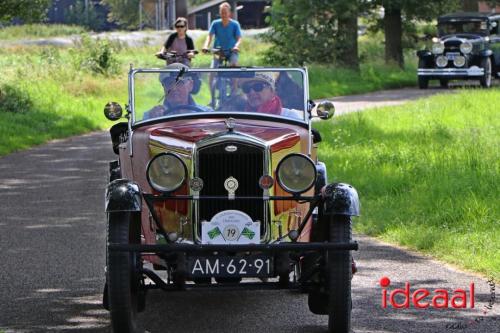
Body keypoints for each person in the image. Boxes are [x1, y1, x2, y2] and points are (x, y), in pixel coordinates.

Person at [143, 64, 211, 120]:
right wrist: (153, 119)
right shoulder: (153, 115)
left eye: (179, 83)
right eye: (169, 83)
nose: (174, 88)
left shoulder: (207, 113)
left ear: (190, 85)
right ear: (164, 88)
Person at [202, 2, 242, 67]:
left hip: (231, 51)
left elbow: (239, 38)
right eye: (222, 13)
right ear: (220, 13)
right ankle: (212, 76)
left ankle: (234, 76)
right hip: (218, 51)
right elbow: (209, 36)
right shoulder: (215, 23)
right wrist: (206, 46)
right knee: (213, 69)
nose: (223, 15)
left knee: (234, 66)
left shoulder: (235, 24)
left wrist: (236, 46)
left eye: (225, 13)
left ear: (229, 13)